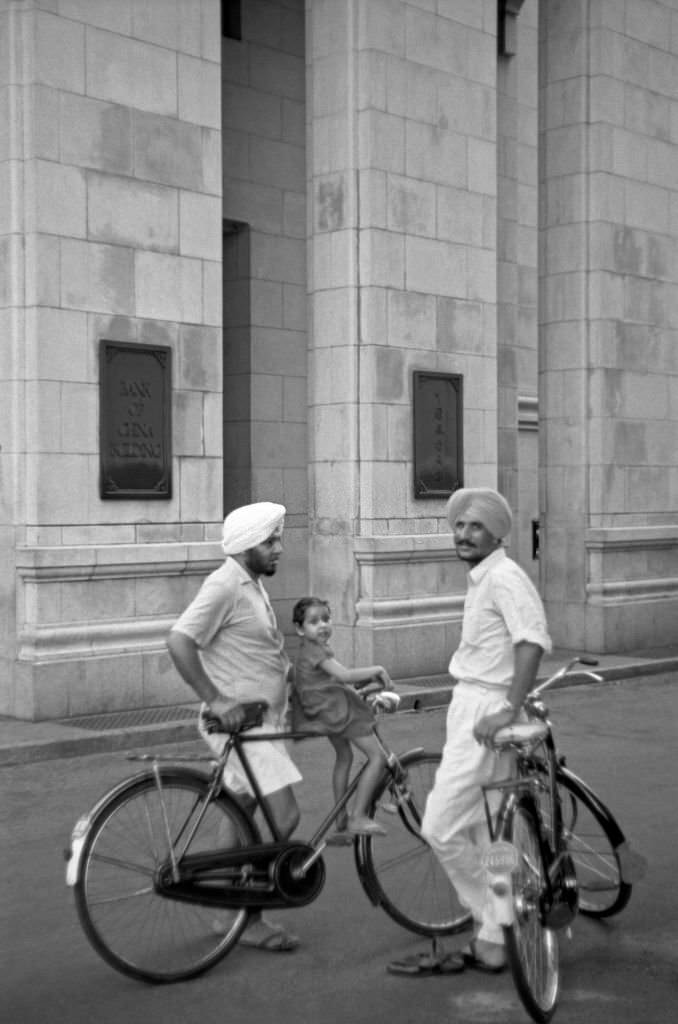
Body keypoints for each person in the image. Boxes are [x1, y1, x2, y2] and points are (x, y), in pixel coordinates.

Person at [391, 487, 551, 977]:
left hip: (486, 711)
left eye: (474, 526)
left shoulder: (504, 577)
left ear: (497, 532)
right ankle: (494, 934)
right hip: (472, 706)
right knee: (487, 833)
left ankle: (496, 919)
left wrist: (507, 708)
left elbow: (533, 642)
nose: (463, 534)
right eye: (459, 525)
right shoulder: (484, 577)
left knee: (439, 825)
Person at [166, 501, 302, 952]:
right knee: (285, 815)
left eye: (277, 538)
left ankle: (228, 912)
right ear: (246, 546)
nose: (279, 548)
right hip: (241, 725)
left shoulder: (250, 583)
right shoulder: (225, 585)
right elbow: (180, 640)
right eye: (270, 541)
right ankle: (251, 914)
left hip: (261, 721)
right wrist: (216, 699)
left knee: (238, 809)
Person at [290, 596, 394, 839]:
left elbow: (333, 678)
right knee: (377, 757)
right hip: (334, 709)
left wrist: (361, 682)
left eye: (326, 618)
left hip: (323, 709)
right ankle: (357, 816)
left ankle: (340, 817)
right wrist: (377, 669)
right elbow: (345, 675)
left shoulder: (309, 649)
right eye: (314, 622)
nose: (323, 625)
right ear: (299, 629)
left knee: (345, 756)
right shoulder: (316, 651)